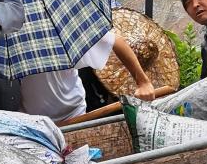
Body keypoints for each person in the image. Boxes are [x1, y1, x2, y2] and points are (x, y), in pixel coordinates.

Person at [20, 30, 157, 123]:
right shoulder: (11, 33)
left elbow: (115, 40)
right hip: (33, 121)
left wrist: (143, 82)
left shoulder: (65, 28)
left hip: (74, 115)